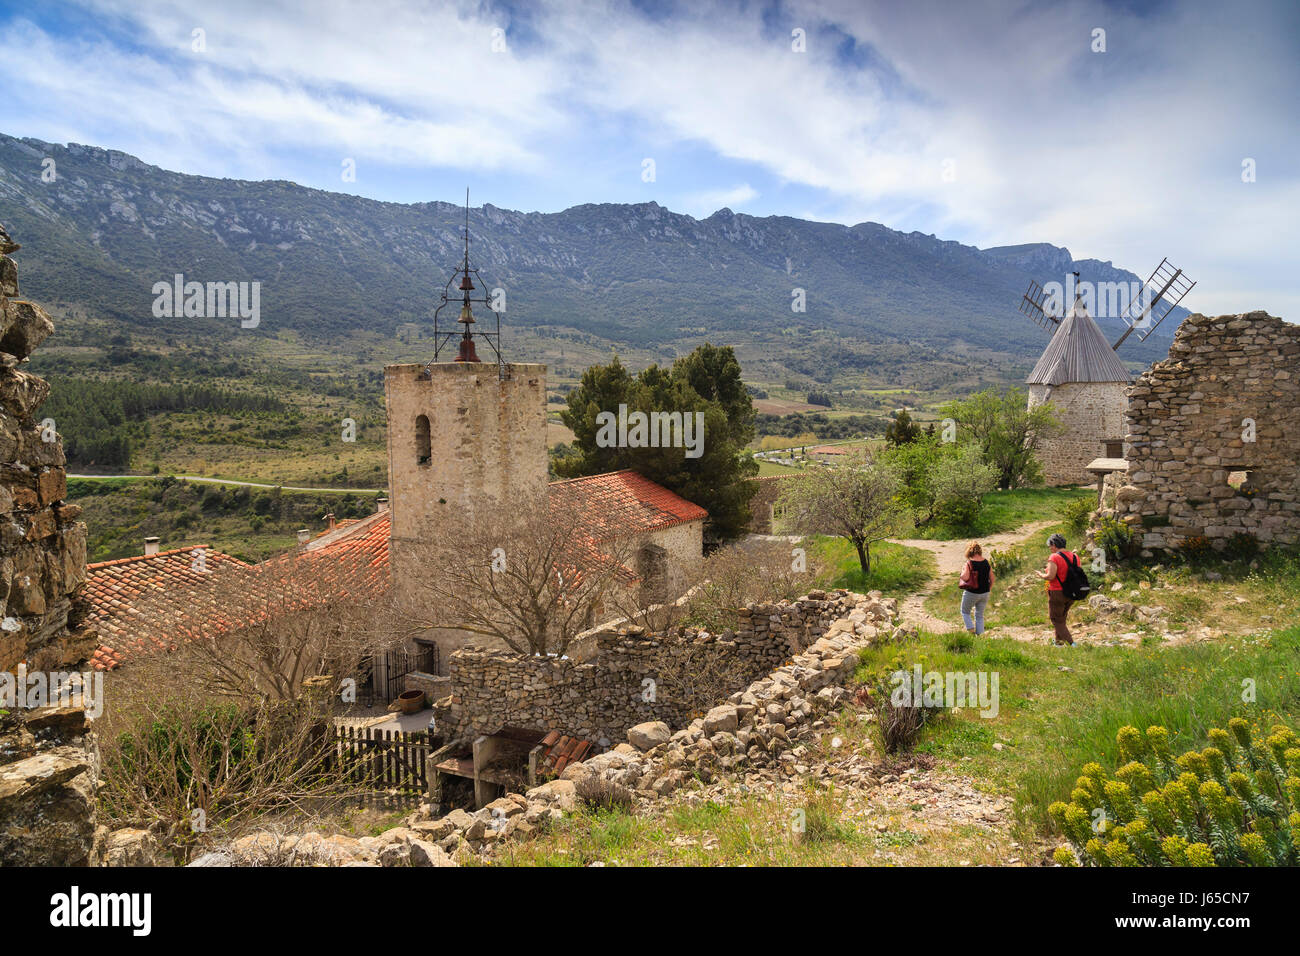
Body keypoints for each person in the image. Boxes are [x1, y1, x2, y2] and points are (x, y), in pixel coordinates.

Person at [1036, 533, 1078, 646]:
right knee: (1061, 618)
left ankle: (1072, 644)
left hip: (1058, 592)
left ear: (1054, 544)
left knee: (1055, 618)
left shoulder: (1054, 557)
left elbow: (1050, 576)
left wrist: (1040, 575)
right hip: (1072, 592)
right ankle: (1059, 643)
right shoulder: (1075, 557)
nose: (1050, 548)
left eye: (1050, 545)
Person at [958, 542, 993, 635]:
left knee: (965, 611)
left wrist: (963, 570)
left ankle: (971, 630)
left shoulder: (969, 563)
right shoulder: (986, 562)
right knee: (979, 615)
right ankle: (980, 635)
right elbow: (992, 578)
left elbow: (964, 577)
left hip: (972, 592)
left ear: (969, 551)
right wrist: (988, 589)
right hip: (985, 593)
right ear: (980, 551)